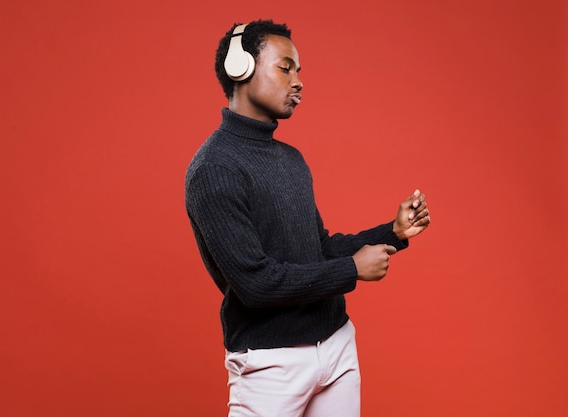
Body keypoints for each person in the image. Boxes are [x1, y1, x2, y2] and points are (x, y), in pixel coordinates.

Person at [184, 19, 431, 417]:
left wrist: (394, 231)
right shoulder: (215, 169)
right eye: (286, 68)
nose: (298, 82)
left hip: (336, 347)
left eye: (299, 71)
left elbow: (318, 250)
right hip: (271, 365)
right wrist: (352, 270)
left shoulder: (291, 159)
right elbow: (255, 284)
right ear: (240, 68)